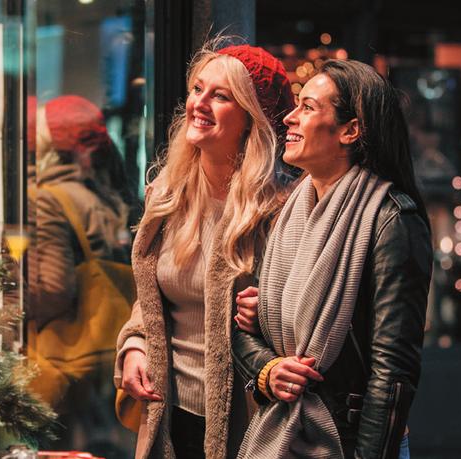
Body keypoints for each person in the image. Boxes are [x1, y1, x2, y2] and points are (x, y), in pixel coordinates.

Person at [232, 59, 432, 458]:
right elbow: (242, 326)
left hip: (348, 441)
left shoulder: (392, 219)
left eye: (308, 107)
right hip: (282, 434)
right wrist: (267, 370)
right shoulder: (287, 216)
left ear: (350, 130)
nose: (289, 117)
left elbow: (392, 373)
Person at [115, 41, 294, 459]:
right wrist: (135, 345)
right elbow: (151, 294)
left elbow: (301, 310)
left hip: (247, 417)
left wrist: (266, 309)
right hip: (167, 409)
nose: (199, 103)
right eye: (197, 89)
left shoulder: (281, 209)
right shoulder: (168, 194)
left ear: (252, 118)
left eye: (220, 95)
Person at [24, 94, 137, 455]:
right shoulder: (109, 194)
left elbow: (54, 288)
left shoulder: (48, 197)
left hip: (68, 359)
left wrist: (11, 310)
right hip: (107, 353)